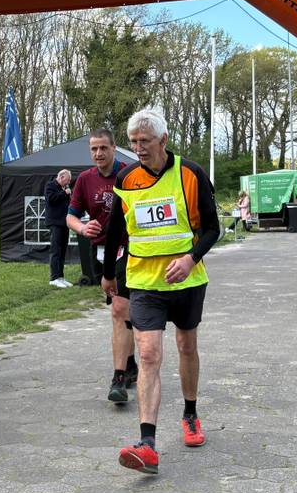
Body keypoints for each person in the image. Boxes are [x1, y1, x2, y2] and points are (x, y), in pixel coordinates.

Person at [103, 109, 220, 474]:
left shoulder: (190, 173)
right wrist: (108, 274)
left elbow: (213, 229)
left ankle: (190, 412)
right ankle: (147, 444)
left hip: (186, 280)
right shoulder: (126, 178)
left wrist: (190, 259)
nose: (138, 148)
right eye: (134, 142)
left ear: (163, 141)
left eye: (145, 142)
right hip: (144, 283)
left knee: (187, 346)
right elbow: (114, 230)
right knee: (149, 354)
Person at [66, 129, 138, 405]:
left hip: (128, 249)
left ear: (114, 148)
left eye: (103, 148)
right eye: (94, 149)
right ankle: (129, 363)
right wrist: (84, 228)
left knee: (120, 309)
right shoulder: (84, 180)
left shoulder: (130, 174)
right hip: (100, 250)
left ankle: (118, 377)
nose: (98, 154)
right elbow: (70, 217)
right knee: (118, 309)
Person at [45, 168, 73, 288]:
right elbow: (51, 200)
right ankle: (54, 278)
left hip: (64, 222)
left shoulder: (63, 188)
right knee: (56, 250)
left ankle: (60, 277)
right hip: (55, 222)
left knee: (62, 250)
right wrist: (64, 193)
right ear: (61, 177)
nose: (68, 183)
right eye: (67, 180)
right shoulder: (50, 186)